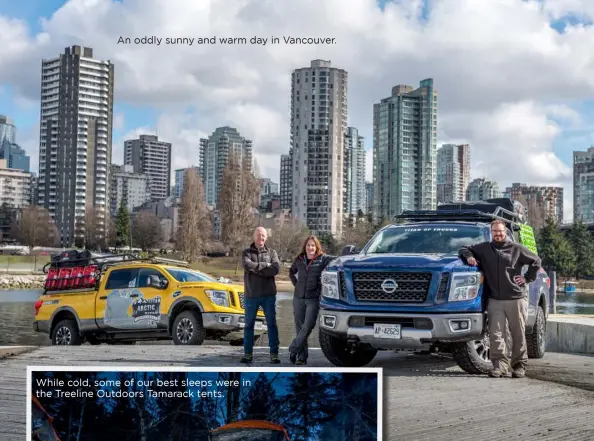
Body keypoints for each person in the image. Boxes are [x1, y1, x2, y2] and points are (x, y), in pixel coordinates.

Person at [458, 219, 541, 378]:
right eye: (495, 231)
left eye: (501, 231)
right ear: (491, 232)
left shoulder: (516, 249)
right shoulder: (484, 248)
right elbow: (464, 248)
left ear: (505, 232)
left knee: (518, 334)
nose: (498, 234)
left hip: (516, 298)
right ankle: (500, 366)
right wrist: (468, 257)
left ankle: (519, 366)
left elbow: (536, 261)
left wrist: (527, 278)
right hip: (495, 300)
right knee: (496, 334)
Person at [288, 235, 336, 365]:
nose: (310, 248)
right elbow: (291, 272)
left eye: (313, 245)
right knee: (299, 327)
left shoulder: (322, 259)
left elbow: (337, 260)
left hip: (313, 299)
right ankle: (301, 358)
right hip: (298, 298)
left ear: (317, 247)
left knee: (308, 326)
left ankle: (293, 348)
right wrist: (296, 284)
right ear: (305, 246)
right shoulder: (299, 259)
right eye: (308, 245)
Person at [240, 226, 281, 364]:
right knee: (248, 325)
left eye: (263, 235)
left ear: (266, 237)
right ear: (254, 236)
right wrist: (265, 265)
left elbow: (275, 269)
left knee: (272, 325)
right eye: (258, 235)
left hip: (268, 295)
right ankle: (248, 354)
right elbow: (247, 265)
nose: (261, 238)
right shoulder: (246, 252)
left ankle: (274, 354)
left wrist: (256, 269)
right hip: (251, 295)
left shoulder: (272, 252)